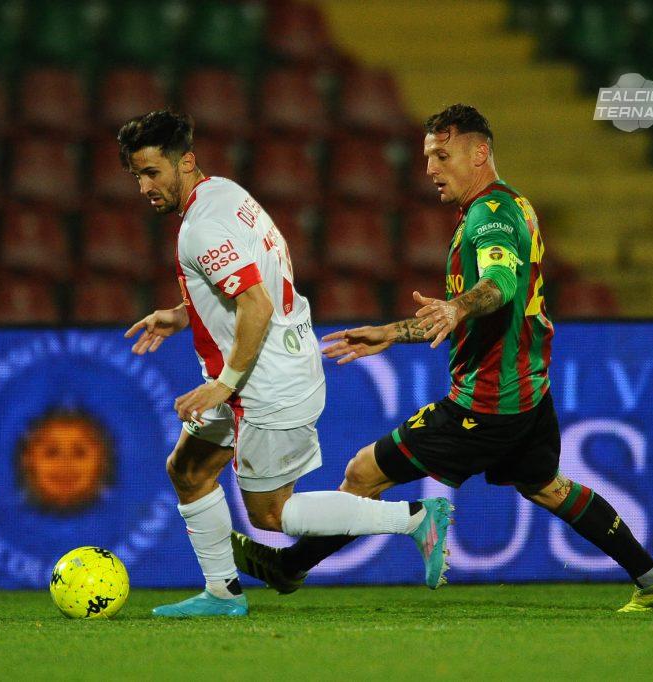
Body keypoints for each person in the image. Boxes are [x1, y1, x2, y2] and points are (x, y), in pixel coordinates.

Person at [232, 104, 653, 613]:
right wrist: (392, 332)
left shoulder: (491, 216)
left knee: (363, 473)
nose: (430, 168)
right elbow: (479, 301)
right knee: (547, 487)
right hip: (527, 388)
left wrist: (458, 306)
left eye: (442, 155)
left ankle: (289, 567)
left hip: (486, 401)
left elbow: (500, 283)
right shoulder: (508, 205)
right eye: (428, 156)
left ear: (480, 153)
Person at [118, 110, 453, 618]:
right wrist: (184, 314)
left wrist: (224, 384)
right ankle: (222, 594)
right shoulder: (225, 194)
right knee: (187, 470)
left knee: (272, 515)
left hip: (266, 382)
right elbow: (254, 284)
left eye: (151, 172)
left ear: (185, 162)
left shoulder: (200, 227)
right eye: (136, 176)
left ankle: (414, 519)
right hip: (266, 366)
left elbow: (256, 304)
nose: (144, 187)